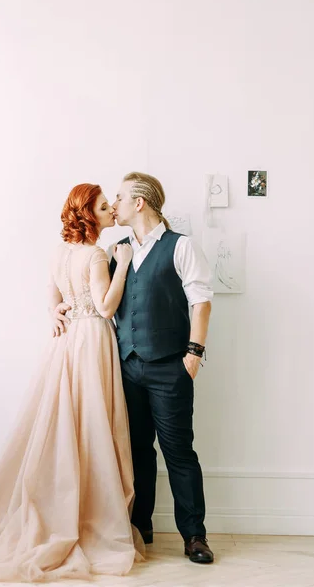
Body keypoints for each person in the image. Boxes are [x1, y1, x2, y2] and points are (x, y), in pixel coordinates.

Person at [0, 183, 144, 582]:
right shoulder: (98, 253)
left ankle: (66, 499)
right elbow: (105, 306)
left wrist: (55, 313)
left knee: (67, 418)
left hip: (64, 343)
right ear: (89, 215)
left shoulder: (60, 251)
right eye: (103, 207)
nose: (110, 211)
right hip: (90, 340)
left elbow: (51, 295)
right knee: (91, 421)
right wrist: (125, 260)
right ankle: (88, 509)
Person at [54, 172, 215, 565]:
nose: (115, 205)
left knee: (179, 452)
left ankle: (194, 535)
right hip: (126, 368)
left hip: (170, 368)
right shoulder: (115, 250)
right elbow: (91, 295)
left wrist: (193, 355)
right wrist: (56, 307)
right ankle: (140, 526)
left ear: (139, 202)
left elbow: (202, 301)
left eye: (121, 198)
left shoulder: (182, 246)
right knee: (137, 450)